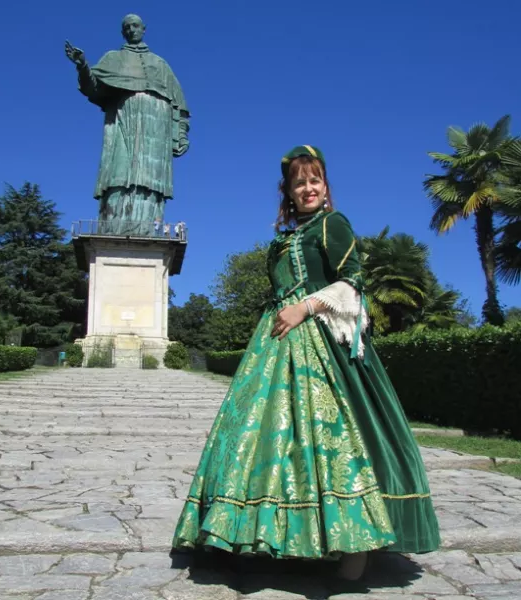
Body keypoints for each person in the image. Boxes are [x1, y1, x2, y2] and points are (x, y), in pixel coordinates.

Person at [172, 145, 440, 580]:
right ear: (289, 194)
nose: (308, 188)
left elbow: (353, 281)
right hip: (274, 346)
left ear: (326, 187)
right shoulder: (280, 241)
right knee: (264, 438)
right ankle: (263, 531)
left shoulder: (334, 224)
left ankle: (356, 542)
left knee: (333, 439)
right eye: (300, 183)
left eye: (315, 180)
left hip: (320, 339)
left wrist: (304, 308)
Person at [64, 14, 190, 236]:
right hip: (123, 120)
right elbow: (92, 88)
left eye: (135, 26)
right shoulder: (113, 59)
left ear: (144, 29)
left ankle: (148, 227)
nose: (132, 30)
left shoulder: (161, 65)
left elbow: (179, 105)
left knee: (150, 181)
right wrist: (82, 66)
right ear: (123, 33)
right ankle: (115, 226)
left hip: (157, 127)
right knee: (119, 172)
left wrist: (180, 135)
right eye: (127, 27)